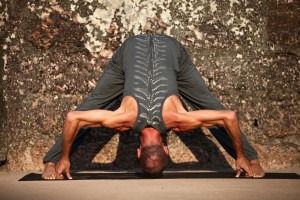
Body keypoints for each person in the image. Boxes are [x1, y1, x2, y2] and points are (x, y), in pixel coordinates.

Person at [42, 34, 265, 179]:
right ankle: (251, 161)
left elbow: (228, 116)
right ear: (139, 151)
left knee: (210, 107)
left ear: (164, 150)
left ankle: (53, 163)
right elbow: (74, 117)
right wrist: (242, 156)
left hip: (149, 48)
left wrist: (240, 156)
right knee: (91, 107)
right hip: (157, 48)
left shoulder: (178, 119)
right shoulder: (124, 117)